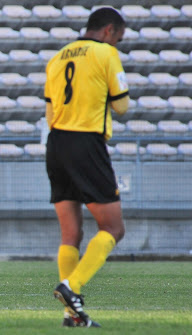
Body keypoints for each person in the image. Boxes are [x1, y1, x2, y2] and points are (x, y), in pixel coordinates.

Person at [43, 7, 130, 327]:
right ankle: (71, 287)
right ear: (109, 31)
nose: (118, 43)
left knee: (71, 234)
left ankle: (71, 315)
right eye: (119, 38)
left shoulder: (58, 57)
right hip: (86, 142)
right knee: (114, 228)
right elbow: (121, 105)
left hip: (56, 143)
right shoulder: (106, 53)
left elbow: (50, 113)